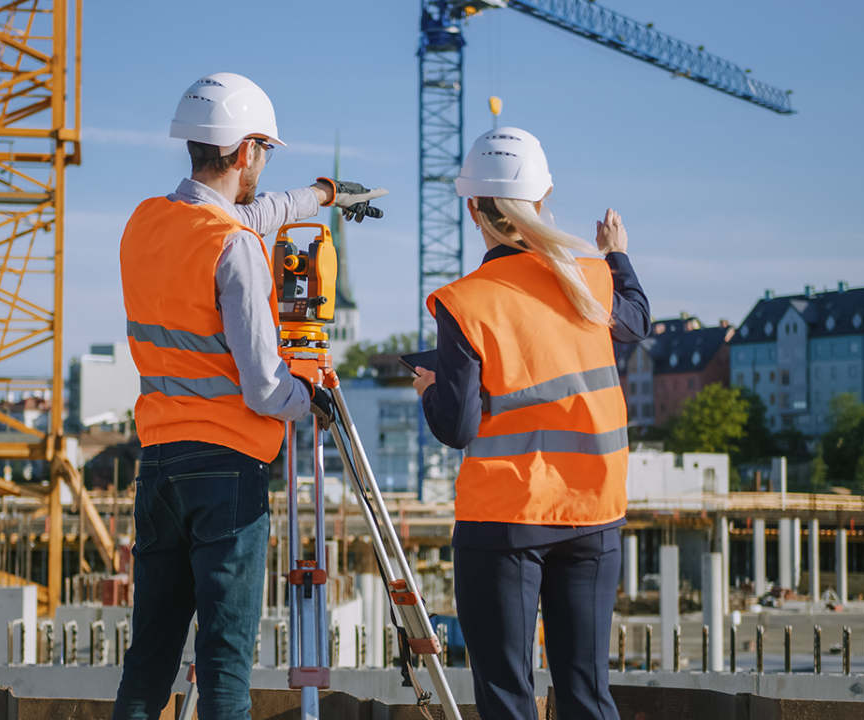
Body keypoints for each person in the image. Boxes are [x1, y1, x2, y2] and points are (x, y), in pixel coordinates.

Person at [112, 72, 385, 720]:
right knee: (225, 662)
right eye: (263, 150)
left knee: (149, 659)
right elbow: (264, 388)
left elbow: (238, 218)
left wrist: (321, 196)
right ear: (245, 151)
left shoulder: (146, 223)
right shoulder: (234, 248)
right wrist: (310, 400)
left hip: (159, 465)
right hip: (226, 472)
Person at [413, 127, 650, 720]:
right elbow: (638, 323)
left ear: (473, 209)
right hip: (592, 513)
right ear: (541, 200)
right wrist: (617, 254)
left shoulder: (465, 302)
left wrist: (430, 391)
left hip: (503, 521)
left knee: (507, 698)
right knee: (586, 692)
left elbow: (457, 426)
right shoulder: (591, 278)